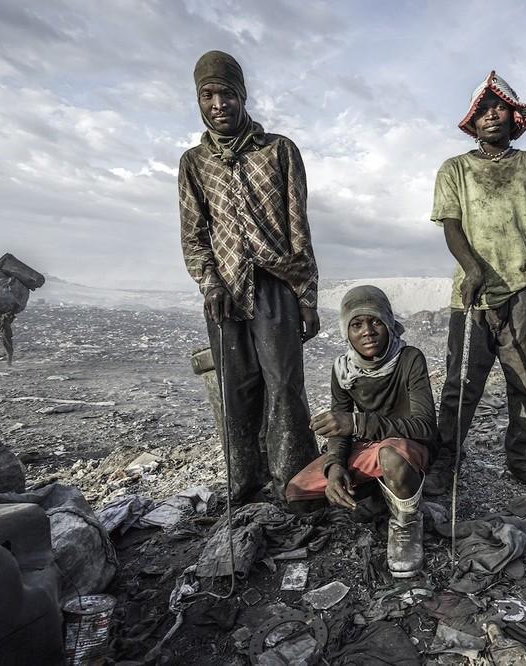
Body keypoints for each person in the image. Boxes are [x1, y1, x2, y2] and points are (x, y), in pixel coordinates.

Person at [179, 50, 319, 501]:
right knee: (236, 390)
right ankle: (245, 482)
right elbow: (193, 232)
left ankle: (294, 482)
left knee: (284, 386)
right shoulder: (194, 162)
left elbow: (299, 226)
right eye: (208, 95)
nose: (218, 103)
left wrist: (307, 295)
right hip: (224, 293)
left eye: (226, 93)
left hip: (276, 283)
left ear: (242, 96)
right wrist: (209, 281)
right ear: (199, 101)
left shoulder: (279, 150)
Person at [425, 70, 526, 496]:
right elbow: (451, 225)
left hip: (523, 290)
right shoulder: (455, 170)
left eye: (498, 108)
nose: (491, 116)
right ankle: (447, 458)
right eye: (482, 110)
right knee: (461, 384)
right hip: (472, 294)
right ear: (472, 121)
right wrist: (472, 269)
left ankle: (524, 460)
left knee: (525, 381)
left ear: (513, 116)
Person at [286, 286, 436, 578]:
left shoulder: (409, 359)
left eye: (375, 321)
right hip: (367, 449)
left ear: (389, 324)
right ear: (347, 332)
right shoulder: (342, 370)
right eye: (357, 324)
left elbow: (426, 426)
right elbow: (339, 434)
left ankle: (407, 521)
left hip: (405, 447)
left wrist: (356, 423)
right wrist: (334, 468)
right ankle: (380, 494)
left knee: (392, 457)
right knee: (297, 495)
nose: (367, 331)